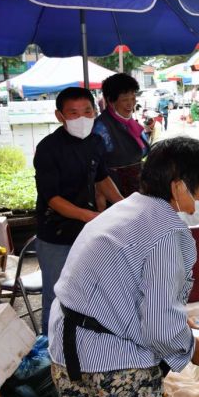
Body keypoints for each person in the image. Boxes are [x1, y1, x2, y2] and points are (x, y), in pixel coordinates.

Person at [48, 137, 199, 397]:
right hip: (113, 364)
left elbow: (117, 286)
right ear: (178, 186)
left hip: (67, 351)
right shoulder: (167, 232)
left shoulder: (126, 209)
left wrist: (176, 321)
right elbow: (160, 328)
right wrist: (193, 348)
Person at [34, 87, 123, 335]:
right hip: (56, 234)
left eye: (87, 111)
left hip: (88, 232)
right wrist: (88, 216)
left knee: (90, 291)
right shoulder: (48, 148)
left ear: (95, 111)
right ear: (59, 116)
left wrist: (124, 204)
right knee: (56, 295)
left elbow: (102, 178)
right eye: (73, 113)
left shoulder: (95, 141)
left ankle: (82, 348)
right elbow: (51, 197)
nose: (82, 117)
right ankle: (51, 349)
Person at [93, 73, 148, 199]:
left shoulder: (130, 122)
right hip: (115, 192)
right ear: (110, 101)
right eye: (125, 100)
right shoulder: (101, 128)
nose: (131, 104)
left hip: (137, 188)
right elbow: (95, 167)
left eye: (133, 98)